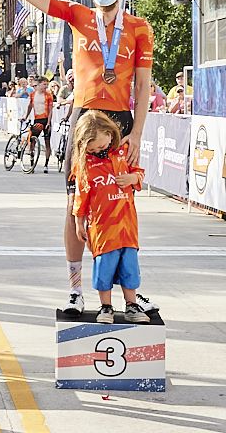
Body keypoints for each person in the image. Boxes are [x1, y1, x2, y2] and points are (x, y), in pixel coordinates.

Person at [3, 0, 158, 318]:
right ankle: (76, 289)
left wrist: (138, 132)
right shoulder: (77, 16)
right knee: (77, 207)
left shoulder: (139, 28)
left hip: (121, 120)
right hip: (85, 118)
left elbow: (143, 86)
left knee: (121, 204)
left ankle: (129, 294)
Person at [72, 111, 149, 324]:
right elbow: (81, 194)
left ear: (109, 133)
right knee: (104, 267)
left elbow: (140, 173)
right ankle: (106, 307)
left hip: (127, 225)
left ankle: (131, 305)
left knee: (130, 267)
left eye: (101, 146)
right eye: (93, 149)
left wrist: (133, 177)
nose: (98, 151)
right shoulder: (85, 164)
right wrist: (79, 222)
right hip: (102, 227)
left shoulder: (124, 152)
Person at [24, 75, 54, 172]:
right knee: (32, 141)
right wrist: (25, 116)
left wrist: (49, 122)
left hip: (46, 120)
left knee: (47, 142)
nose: (46, 86)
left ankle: (46, 164)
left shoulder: (48, 95)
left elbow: (50, 110)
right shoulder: (33, 94)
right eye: (44, 84)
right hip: (37, 120)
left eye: (47, 84)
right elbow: (30, 106)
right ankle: (32, 162)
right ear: (39, 84)